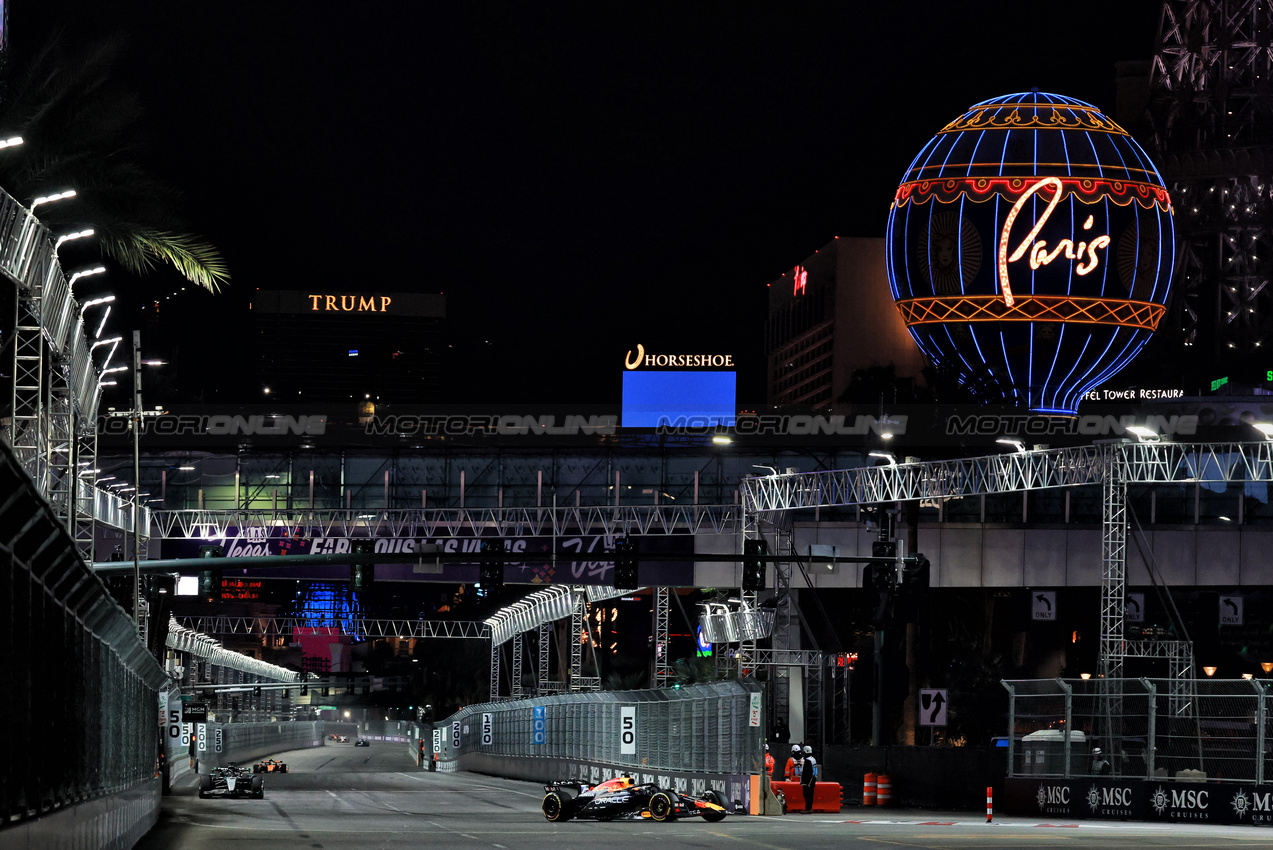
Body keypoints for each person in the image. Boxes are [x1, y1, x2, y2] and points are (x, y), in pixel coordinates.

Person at [800, 745, 817, 813]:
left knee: (807, 795)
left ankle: (808, 808)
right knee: (810, 795)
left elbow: (806, 772)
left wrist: (805, 782)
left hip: (808, 781)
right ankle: (809, 808)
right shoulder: (813, 759)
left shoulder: (807, 761)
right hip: (813, 780)